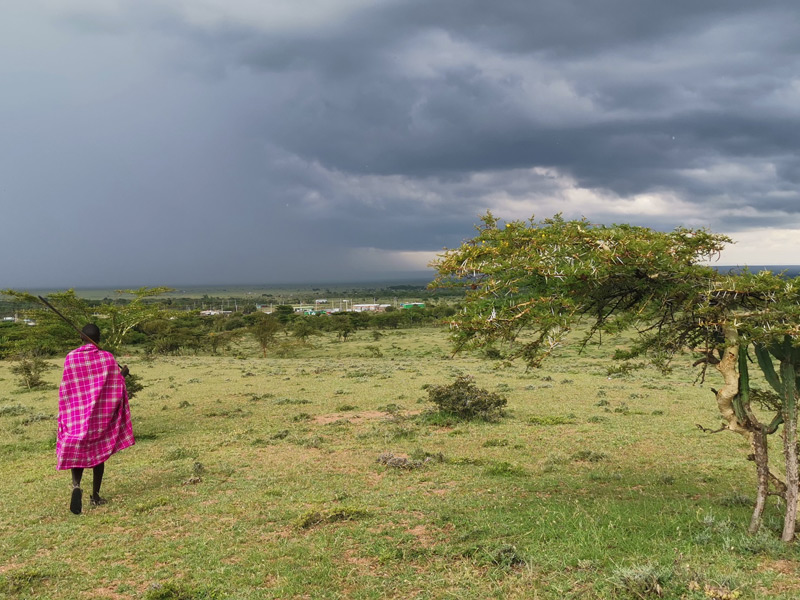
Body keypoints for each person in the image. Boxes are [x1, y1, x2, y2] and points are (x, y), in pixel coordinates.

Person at [57, 323, 134, 515]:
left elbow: (67, 386)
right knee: (99, 450)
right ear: (98, 339)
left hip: (76, 413)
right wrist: (123, 374)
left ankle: (76, 485)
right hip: (99, 415)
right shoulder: (107, 357)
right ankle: (96, 496)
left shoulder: (71, 357)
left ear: (81, 338)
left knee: (78, 450)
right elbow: (115, 385)